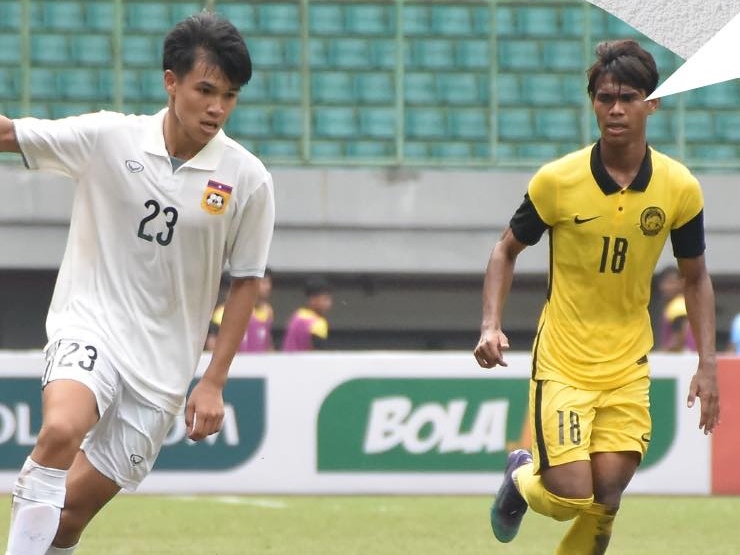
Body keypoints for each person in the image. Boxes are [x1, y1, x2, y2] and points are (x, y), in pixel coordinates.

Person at [3, 12, 275, 555]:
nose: (218, 108)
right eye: (205, 90)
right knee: (60, 430)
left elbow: (246, 281)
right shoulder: (110, 136)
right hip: (91, 327)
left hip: (161, 372)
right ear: (170, 82)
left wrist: (214, 380)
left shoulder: (248, 179)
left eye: (230, 95)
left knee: (66, 523)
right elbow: (10, 133)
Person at [473, 39, 719, 555]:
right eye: (605, 97)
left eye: (628, 97)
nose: (615, 109)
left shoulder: (679, 188)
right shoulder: (558, 182)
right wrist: (490, 324)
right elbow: (504, 250)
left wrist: (707, 365)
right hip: (564, 361)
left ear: (653, 103)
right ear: (592, 102)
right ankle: (520, 475)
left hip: (627, 362)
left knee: (608, 491)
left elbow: (695, 278)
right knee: (570, 495)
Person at [207, 268, 274, 352]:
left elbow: (267, 341)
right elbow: (213, 345)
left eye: (269, 283)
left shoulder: (268, 311)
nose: (268, 287)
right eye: (264, 283)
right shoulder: (221, 314)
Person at [282, 276, 333, 351]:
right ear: (313, 300)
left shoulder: (297, 316)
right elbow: (320, 355)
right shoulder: (319, 323)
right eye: (325, 299)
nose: (329, 304)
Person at [657, 266, 696, 352]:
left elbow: (679, 337)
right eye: (665, 283)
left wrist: (662, 354)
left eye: (672, 283)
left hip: (681, 358)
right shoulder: (681, 304)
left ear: (681, 284)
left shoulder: (678, 305)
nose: (667, 287)